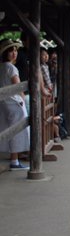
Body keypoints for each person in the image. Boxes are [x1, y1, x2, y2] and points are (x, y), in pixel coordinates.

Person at [0, 39, 30, 170]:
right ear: (5, 53)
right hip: (14, 103)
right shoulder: (11, 68)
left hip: (3, 103)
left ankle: (14, 159)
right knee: (17, 131)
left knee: (7, 130)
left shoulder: (1, 67)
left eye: (15, 50)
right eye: (11, 50)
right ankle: (14, 160)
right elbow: (18, 87)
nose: (14, 53)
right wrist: (24, 101)